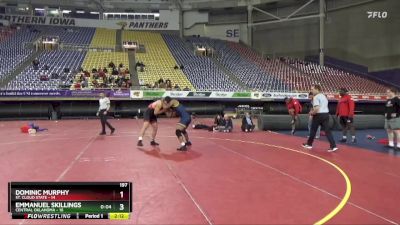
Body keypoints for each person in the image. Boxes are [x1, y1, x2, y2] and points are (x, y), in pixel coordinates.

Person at [303, 85, 338, 152]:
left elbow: (316, 108)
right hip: (326, 114)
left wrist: (312, 113)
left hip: (319, 115)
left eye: (312, 89)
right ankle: (333, 146)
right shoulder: (324, 96)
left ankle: (309, 144)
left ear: (317, 89)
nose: (311, 91)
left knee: (313, 130)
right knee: (327, 131)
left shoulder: (316, 97)